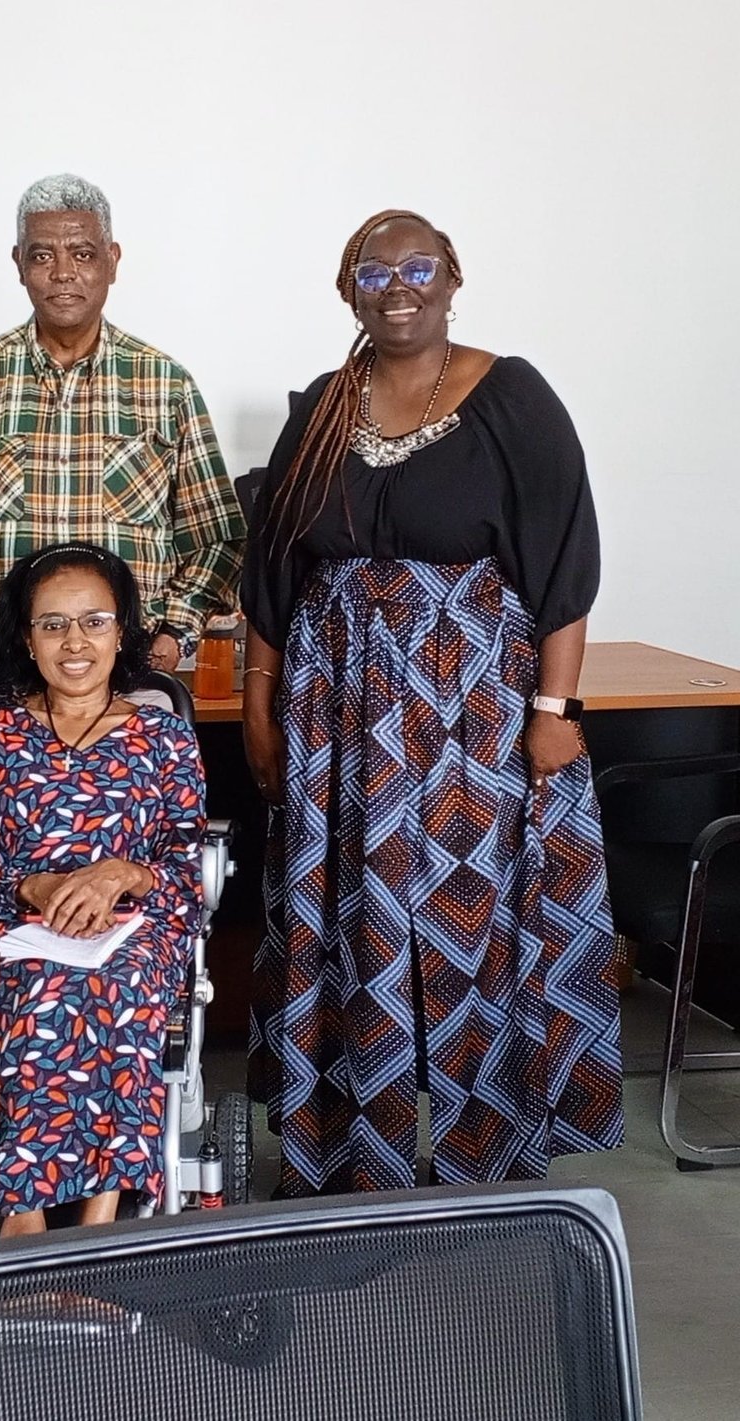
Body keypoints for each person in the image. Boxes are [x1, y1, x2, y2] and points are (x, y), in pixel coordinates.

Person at [241, 208, 624, 1198]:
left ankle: (481, 1154)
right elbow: (272, 568)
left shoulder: (511, 396)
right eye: (376, 270)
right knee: (344, 919)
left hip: (471, 702)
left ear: (453, 277)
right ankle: (342, 1151)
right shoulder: (324, 405)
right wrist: (255, 700)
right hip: (333, 703)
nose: (398, 284)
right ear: (347, 288)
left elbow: (562, 563)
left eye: (419, 266)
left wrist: (556, 707)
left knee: (471, 916)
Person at [0, 542, 206, 1234]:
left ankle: (97, 1218)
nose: (74, 641)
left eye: (94, 621)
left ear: (122, 632)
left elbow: (185, 856)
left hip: (132, 925)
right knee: (44, 987)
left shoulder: (163, 737)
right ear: (27, 639)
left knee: (118, 980)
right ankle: (23, 1220)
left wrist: (124, 874)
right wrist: (40, 884)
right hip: (13, 920)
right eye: (53, 624)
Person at [0, 173, 246, 727]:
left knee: (127, 816)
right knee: (1, 817)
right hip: (1, 687)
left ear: (112, 260)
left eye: (82, 253)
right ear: (18, 263)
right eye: (43, 255)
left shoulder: (164, 386)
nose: (63, 273)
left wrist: (171, 634)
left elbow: (217, 536)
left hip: (130, 689)